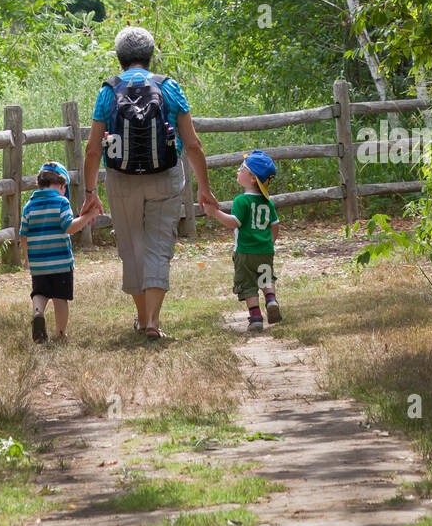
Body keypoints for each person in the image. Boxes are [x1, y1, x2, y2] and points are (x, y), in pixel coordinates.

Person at [82, 25, 218, 341]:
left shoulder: (107, 91)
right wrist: (204, 186)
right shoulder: (169, 87)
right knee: (159, 245)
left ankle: (142, 318)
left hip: (121, 178)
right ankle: (154, 321)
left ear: (119, 58)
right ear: (151, 55)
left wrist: (90, 192)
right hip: (166, 176)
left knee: (132, 247)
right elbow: (193, 144)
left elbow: (92, 149)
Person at [202, 149, 282, 331]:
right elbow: (275, 225)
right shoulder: (268, 203)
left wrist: (215, 213)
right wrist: (270, 242)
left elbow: (234, 223)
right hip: (265, 251)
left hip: (245, 253)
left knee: (248, 285)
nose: (238, 171)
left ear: (252, 178)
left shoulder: (241, 201)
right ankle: (271, 299)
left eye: (242, 168)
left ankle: (255, 318)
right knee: (265, 277)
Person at [19, 162, 90, 343]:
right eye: (64, 187)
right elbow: (69, 227)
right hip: (60, 263)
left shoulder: (29, 205)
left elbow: (23, 235)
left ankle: (38, 313)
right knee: (60, 298)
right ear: (61, 184)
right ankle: (60, 334)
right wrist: (89, 216)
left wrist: (27, 259)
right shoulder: (61, 202)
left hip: (38, 264)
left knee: (39, 293)